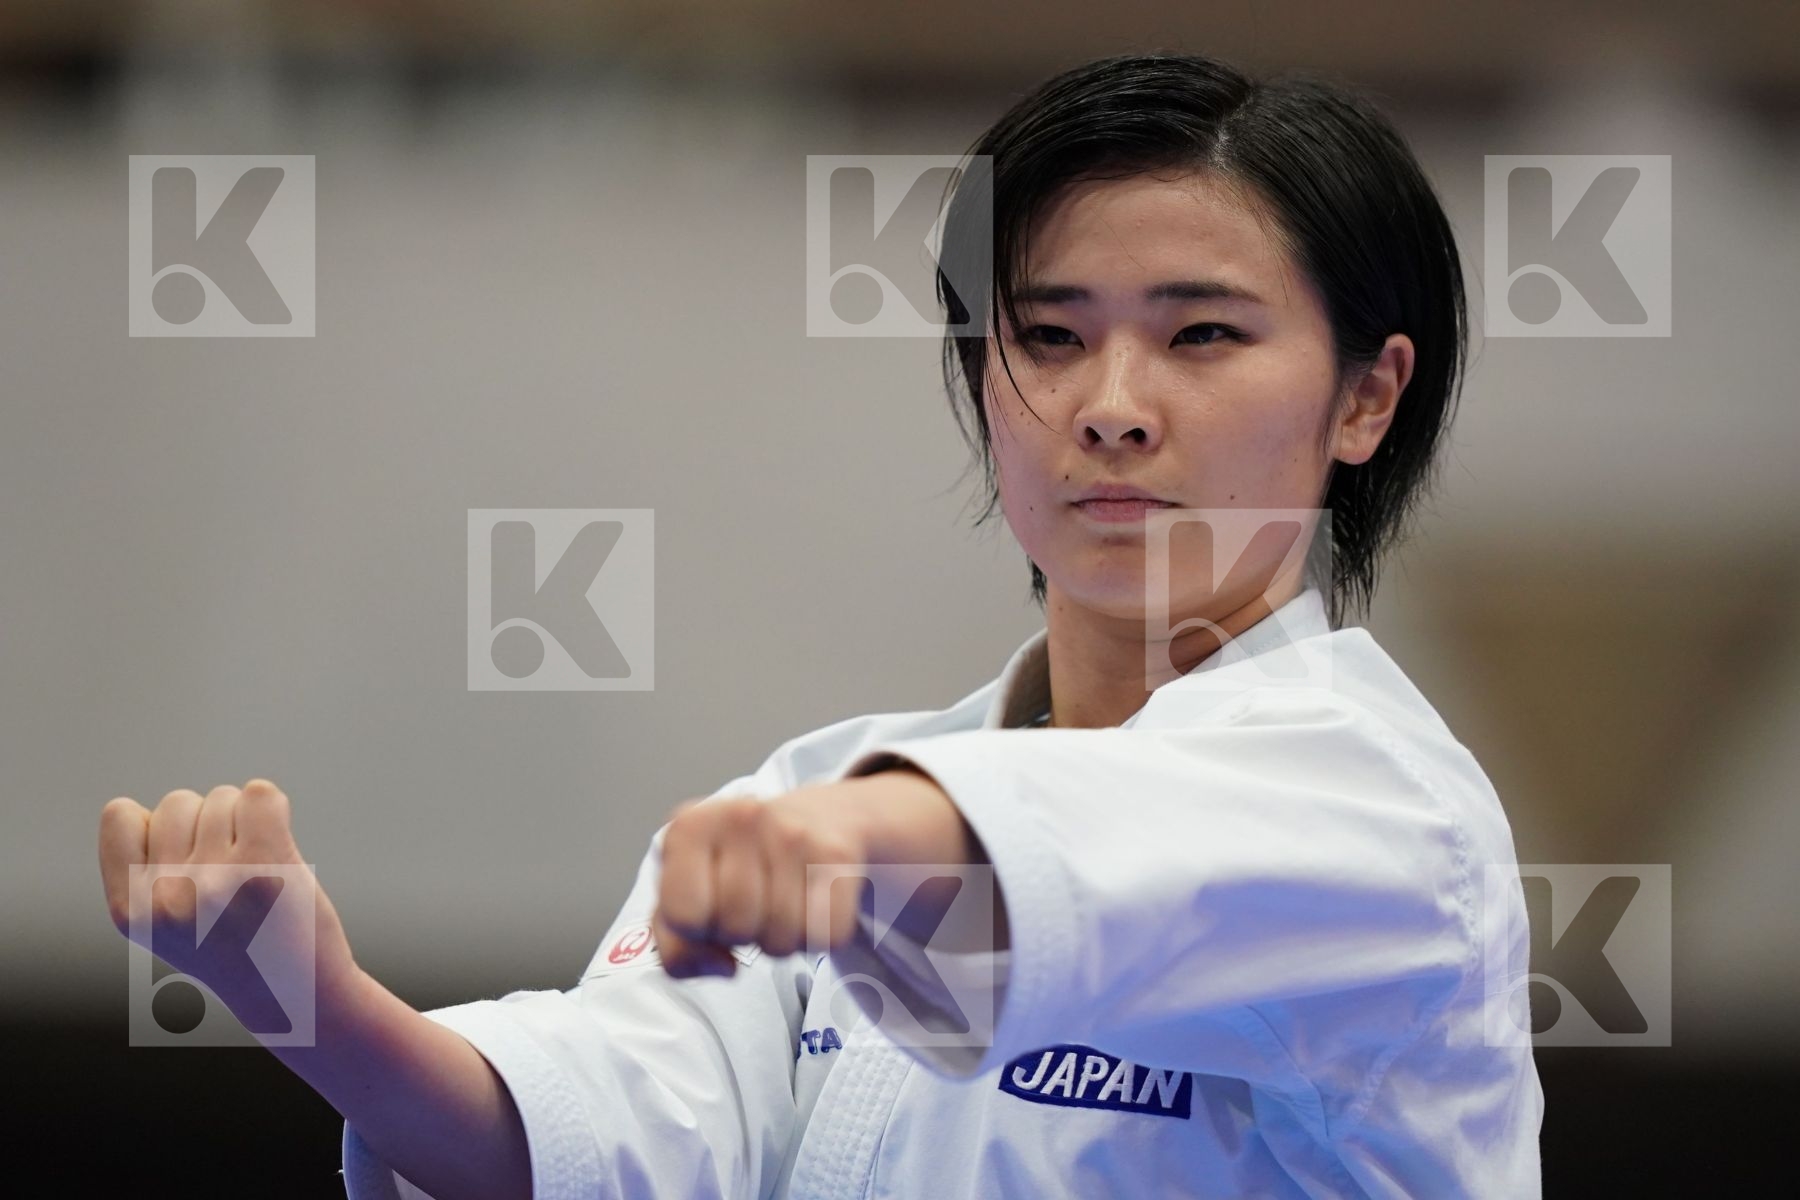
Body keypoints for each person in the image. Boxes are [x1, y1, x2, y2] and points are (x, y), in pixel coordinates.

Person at [96, 51, 1543, 1199]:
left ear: (1366, 397)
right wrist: (319, 1008)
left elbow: (1118, 844)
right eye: (1047, 335)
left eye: (1200, 334)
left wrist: (845, 849)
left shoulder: (1388, 814)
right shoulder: (808, 789)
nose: (1110, 405)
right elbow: (602, 1135)